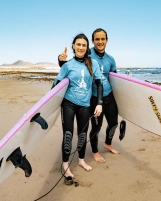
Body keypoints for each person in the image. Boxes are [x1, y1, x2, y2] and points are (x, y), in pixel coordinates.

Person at [58, 28, 119, 163]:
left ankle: (108, 143)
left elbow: (116, 80)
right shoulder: (88, 54)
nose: (100, 41)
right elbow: (73, 66)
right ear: (92, 41)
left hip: (108, 96)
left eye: (103, 39)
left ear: (107, 41)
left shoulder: (111, 59)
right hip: (92, 98)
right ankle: (95, 151)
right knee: (96, 127)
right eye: (97, 39)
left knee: (114, 123)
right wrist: (60, 61)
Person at [52, 33, 103, 178]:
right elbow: (56, 83)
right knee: (67, 135)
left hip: (85, 105)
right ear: (74, 46)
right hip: (68, 104)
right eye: (78, 44)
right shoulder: (68, 65)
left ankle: (81, 160)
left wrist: (99, 104)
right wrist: (48, 103)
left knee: (82, 135)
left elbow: (99, 84)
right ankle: (66, 164)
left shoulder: (93, 64)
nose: (81, 47)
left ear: (87, 48)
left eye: (84, 45)